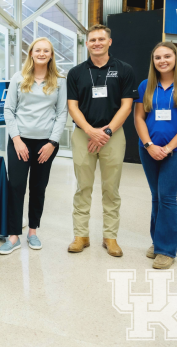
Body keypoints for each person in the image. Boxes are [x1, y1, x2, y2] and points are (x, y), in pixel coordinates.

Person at [65, 23, 135, 257]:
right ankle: (80, 235)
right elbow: (72, 107)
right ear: (87, 44)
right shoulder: (76, 73)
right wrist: (90, 131)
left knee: (111, 189)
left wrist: (105, 133)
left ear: (109, 42)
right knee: (82, 187)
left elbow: (127, 106)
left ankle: (110, 237)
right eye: (92, 40)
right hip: (82, 134)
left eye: (101, 39)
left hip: (113, 135)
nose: (96, 43)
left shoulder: (124, 69)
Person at [133, 43, 177, 269]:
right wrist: (149, 144)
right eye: (157, 57)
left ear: (175, 58)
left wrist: (169, 147)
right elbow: (139, 118)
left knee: (167, 197)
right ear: (152, 61)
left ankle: (167, 250)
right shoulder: (146, 86)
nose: (162, 60)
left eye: (167, 56)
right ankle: (157, 241)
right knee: (156, 195)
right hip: (148, 150)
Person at [0, 37, 67, 255]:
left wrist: (52, 143)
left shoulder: (60, 81)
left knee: (38, 187)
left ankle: (33, 232)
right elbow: (8, 110)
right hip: (20, 141)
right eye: (38, 50)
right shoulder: (19, 78)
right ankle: (13, 235)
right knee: (16, 186)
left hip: (46, 143)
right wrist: (16, 139)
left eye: (46, 50)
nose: (42, 53)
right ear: (31, 53)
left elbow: (61, 113)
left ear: (51, 55)